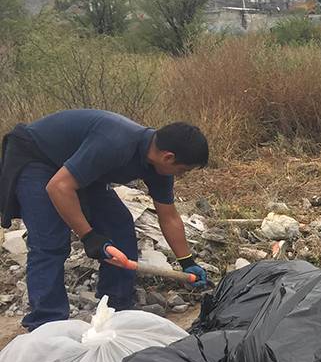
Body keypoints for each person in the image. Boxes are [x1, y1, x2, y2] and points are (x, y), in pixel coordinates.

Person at [0, 109, 210, 330]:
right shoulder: (116, 142)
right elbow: (59, 186)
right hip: (38, 157)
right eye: (183, 170)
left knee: (118, 226)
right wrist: (89, 236)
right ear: (168, 157)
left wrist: (187, 261)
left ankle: (115, 309)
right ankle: (46, 325)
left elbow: (169, 217)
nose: (181, 175)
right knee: (49, 241)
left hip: (81, 169)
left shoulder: (160, 169)